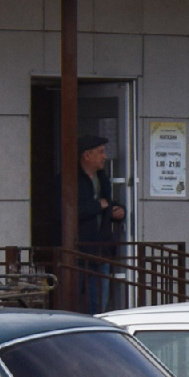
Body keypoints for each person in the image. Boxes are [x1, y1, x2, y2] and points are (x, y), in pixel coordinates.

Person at [75, 134, 125, 312]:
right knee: (71, 303)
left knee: (98, 307)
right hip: (77, 253)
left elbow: (107, 202)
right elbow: (68, 211)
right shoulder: (70, 180)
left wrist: (118, 210)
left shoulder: (102, 178)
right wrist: (99, 206)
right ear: (87, 155)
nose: (104, 156)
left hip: (100, 251)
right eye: (100, 152)